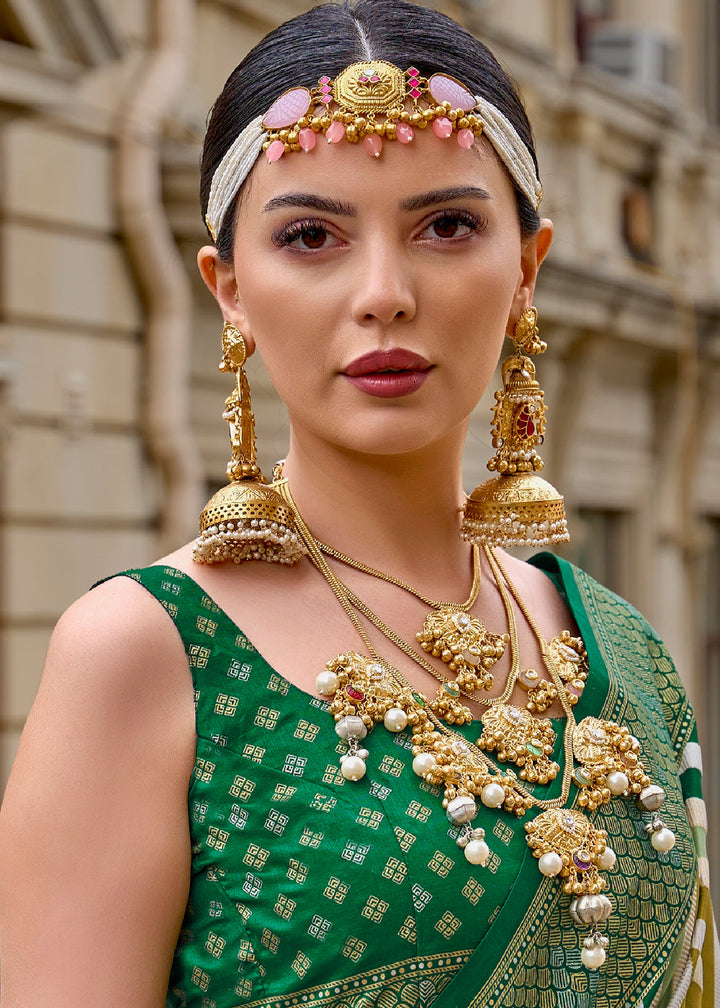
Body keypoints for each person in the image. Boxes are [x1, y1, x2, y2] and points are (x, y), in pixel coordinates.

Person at [0, 2, 715, 1006]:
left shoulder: (627, 653)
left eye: (447, 225)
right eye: (311, 236)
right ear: (230, 289)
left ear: (526, 268)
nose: (384, 291)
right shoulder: (145, 656)